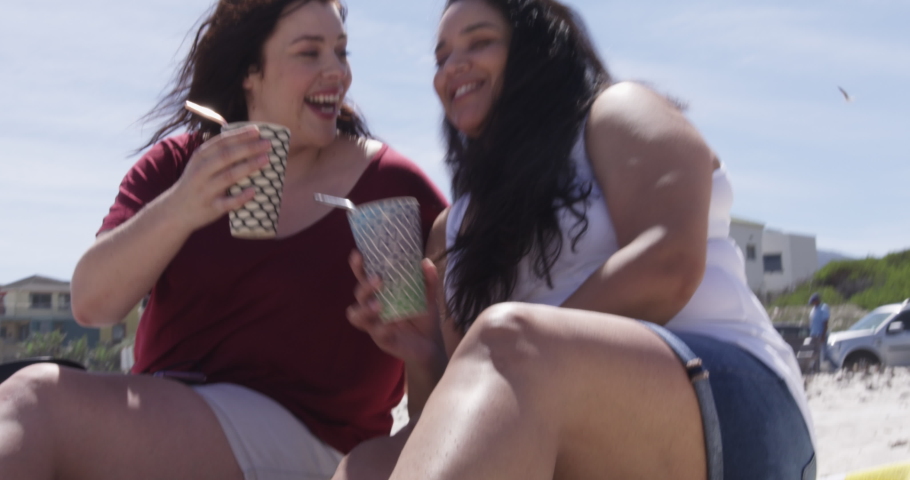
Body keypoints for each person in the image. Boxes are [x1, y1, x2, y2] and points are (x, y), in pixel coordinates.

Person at [335, 0, 816, 479]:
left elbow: (669, 264)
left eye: (479, 42)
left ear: (536, 47)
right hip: (578, 431)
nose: (453, 67)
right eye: (441, 58)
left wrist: (519, 351)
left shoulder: (613, 115)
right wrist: (428, 354)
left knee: (504, 341)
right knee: (367, 466)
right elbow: (451, 420)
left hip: (736, 408)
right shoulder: (452, 230)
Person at [0, 0, 446, 479]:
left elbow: (448, 359)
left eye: (341, 51)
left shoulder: (390, 187)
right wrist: (182, 206)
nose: (337, 71)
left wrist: (421, 345)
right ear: (249, 73)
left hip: (317, 442)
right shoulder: (180, 167)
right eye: (309, 53)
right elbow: (92, 305)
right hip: (164, 413)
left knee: (32, 401)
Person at [808, 292, 831, 372]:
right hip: (814, 335)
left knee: (823, 353)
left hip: (821, 334)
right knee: (815, 354)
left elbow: (825, 323)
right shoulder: (813, 310)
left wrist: (823, 335)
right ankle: (816, 369)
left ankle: (829, 368)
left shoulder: (823, 308)